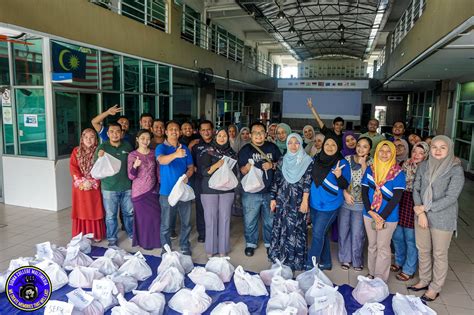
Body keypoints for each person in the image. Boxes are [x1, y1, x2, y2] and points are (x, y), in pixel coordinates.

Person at [409, 136, 465, 302]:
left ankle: (435, 287)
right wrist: (420, 213)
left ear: (449, 150)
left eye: (443, 147)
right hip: (421, 216)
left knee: (439, 254)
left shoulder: (455, 169)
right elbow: (416, 188)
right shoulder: (424, 165)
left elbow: (451, 197)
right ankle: (425, 280)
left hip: (442, 217)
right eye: (434, 147)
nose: (438, 151)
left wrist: (424, 209)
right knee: (423, 249)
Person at [361, 140, 406, 282]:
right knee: (372, 245)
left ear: (393, 153)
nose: (385, 154)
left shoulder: (398, 173)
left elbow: (396, 198)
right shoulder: (370, 169)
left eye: (388, 151)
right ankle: (372, 273)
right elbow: (364, 191)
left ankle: (380, 279)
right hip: (369, 214)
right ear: (377, 152)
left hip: (389, 216)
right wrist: (371, 212)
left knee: (383, 247)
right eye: (382, 150)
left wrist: (381, 217)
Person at [269, 133, 313, 271]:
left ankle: (295, 261)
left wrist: (305, 201)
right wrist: (272, 198)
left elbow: (307, 182)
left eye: (297, 143)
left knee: (296, 229)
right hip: (282, 200)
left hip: (298, 200)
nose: (293, 146)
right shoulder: (283, 160)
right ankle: (280, 257)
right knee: (281, 227)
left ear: (301, 144)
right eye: (290, 143)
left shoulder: (307, 161)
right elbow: (276, 180)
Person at [307, 135, 350, 270]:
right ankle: (326, 262)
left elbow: (344, 184)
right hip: (314, 203)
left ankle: (311, 264)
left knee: (317, 233)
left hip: (330, 205)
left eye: (333, 145)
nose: (330, 147)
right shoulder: (316, 159)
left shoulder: (343, 163)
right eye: (327, 144)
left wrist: (338, 175)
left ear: (338, 147)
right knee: (322, 233)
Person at [238, 122, 281, 257]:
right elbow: (242, 171)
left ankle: (269, 243)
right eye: (255, 132)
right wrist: (247, 168)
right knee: (250, 219)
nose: (258, 135)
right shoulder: (245, 150)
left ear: (266, 134)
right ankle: (251, 243)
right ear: (250, 135)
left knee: (270, 219)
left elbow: (281, 164)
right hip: (251, 192)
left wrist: (272, 165)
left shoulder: (272, 147)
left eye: (261, 132)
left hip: (270, 191)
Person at [391, 142, 429, 281]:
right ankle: (399, 261)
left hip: (416, 204)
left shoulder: (428, 169)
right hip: (401, 200)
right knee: (397, 235)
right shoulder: (405, 164)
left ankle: (409, 268)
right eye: (415, 152)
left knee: (411, 239)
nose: (417, 155)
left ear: (426, 155)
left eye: (421, 153)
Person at [198, 128, 238, 257]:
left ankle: (223, 250)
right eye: (219, 135)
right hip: (209, 190)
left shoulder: (232, 153)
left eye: (224, 135)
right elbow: (203, 172)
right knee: (210, 220)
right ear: (215, 137)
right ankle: (210, 250)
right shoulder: (207, 152)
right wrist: (218, 165)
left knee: (225, 219)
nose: (222, 138)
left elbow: (235, 173)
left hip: (227, 190)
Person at [156, 121, 194, 255]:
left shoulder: (185, 148)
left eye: (176, 129)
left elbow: (190, 167)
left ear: (180, 132)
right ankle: (166, 248)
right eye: (171, 129)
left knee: (186, 222)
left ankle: (185, 245)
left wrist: (188, 175)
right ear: (166, 132)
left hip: (183, 190)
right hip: (166, 192)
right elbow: (161, 160)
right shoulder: (161, 147)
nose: (174, 131)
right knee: (166, 224)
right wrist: (176, 155)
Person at [94, 122, 134, 247]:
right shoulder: (102, 147)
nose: (115, 134)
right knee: (111, 216)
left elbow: (134, 163)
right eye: (112, 131)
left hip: (127, 186)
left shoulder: (127, 146)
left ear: (122, 133)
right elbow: (96, 166)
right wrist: (100, 158)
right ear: (107, 133)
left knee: (129, 213)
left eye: (118, 131)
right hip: (109, 188)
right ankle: (112, 239)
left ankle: (131, 233)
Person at [338, 137, 373, 271]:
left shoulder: (372, 162)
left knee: (358, 233)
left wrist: (364, 164)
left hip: (361, 204)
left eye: (365, 146)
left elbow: (370, 182)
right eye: (359, 145)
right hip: (345, 201)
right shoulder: (347, 159)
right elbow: (339, 178)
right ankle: (345, 259)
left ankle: (357, 260)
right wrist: (344, 193)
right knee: (343, 231)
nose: (360, 149)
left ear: (369, 149)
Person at [70, 128, 106, 241]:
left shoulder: (99, 151)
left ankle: (96, 234)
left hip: (94, 186)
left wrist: (92, 181)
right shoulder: (76, 151)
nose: (89, 140)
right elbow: (73, 167)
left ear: (95, 139)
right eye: (86, 137)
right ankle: (81, 234)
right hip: (81, 187)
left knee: (94, 209)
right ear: (82, 138)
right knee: (81, 209)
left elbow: (102, 168)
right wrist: (83, 181)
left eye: (92, 137)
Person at [127, 129, 161, 250]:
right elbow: (131, 176)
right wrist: (135, 166)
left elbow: (157, 171)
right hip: (139, 193)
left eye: (147, 138)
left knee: (156, 217)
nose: (145, 141)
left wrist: (159, 185)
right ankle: (145, 243)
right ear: (137, 139)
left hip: (153, 190)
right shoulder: (132, 155)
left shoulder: (154, 153)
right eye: (142, 138)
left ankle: (157, 241)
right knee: (143, 219)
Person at [192, 120, 215, 243]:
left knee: (214, 208)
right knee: (201, 208)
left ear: (213, 130)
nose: (206, 132)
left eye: (208, 129)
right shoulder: (196, 146)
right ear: (200, 132)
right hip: (200, 181)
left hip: (216, 182)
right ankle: (202, 232)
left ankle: (214, 232)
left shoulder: (218, 144)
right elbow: (191, 164)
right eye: (203, 130)